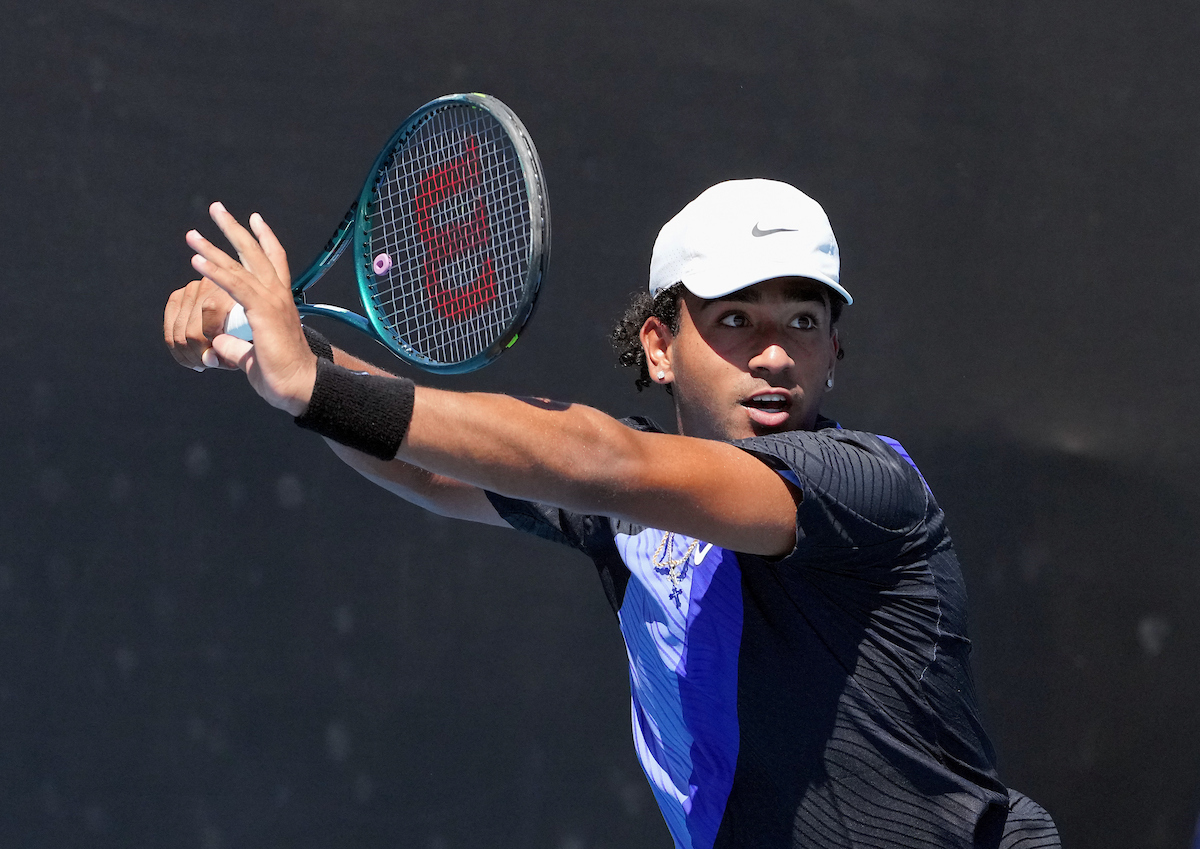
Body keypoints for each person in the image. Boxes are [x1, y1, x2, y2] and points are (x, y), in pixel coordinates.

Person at [164, 179, 1060, 848]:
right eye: (737, 320)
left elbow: (602, 462)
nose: (776, 354)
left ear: (836, 351)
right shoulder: (629, 513)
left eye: (803, 322)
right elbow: (428, 465)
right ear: (660, 347)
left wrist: (312, 381)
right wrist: (273, 350)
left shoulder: (861, 487)